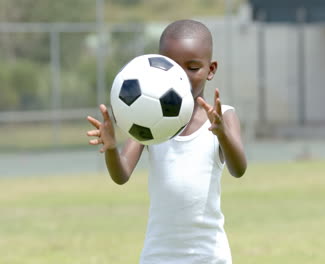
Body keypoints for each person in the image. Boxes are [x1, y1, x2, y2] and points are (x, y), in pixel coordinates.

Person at [86, 19, 247, 264]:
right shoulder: (147, 118)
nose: (182, 77)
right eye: (174, 67)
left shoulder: (223, 116)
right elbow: (122, 174)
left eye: (193, 68)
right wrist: (111, 148)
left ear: (211, 69)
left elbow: (239, 169)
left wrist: (222, 133)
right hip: (158, 256)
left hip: (210, 256)